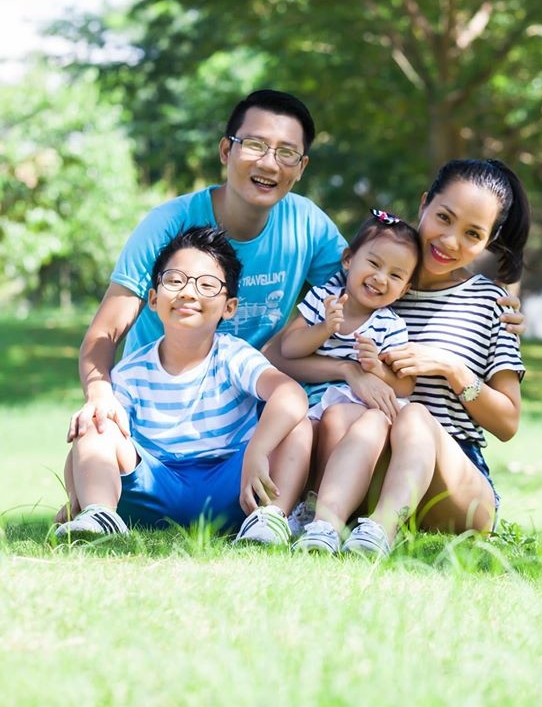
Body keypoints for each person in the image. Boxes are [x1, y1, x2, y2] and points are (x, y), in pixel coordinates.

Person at [279, 159, 529, 557]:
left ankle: (381, 531)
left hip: (453, 482)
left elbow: (508, 422)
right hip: (367, 459)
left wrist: (452, 368)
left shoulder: (491, 304)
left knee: (413, 416)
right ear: (424, 203)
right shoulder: (374, 276)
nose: (450, 241)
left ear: (489, 240)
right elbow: (279, 356)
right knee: (344, 416)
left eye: (472, 234)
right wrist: (349, 371)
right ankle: (326, 523)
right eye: (444, 217)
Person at [70, 89, 347, 444]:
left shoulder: (307, 224)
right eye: (255, 145)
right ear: (226, 150)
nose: (269, 163)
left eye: (286, 152)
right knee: (92, 445)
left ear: (301, 167)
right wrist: (99, 394)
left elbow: (362, 297)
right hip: (158, 410)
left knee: (335, 422)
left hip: (249, 410)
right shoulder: (168, 222)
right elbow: (104, 332)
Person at [54, 226, 310, 545]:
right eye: (175, 281)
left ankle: (270, 519)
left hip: (234, 487)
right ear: (153, 298)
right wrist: (76, 493)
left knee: (297, 425)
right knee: (96, 420)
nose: (188, 293)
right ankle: (99, 515)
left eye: (207, 285)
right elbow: (91, 444)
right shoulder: (131, 372)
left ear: (229, 307)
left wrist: (257, 450)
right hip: (154, 491)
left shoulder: (234, 356)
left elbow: (291, 394)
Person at [279, 209, 420, 538]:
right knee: (296, 431)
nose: (381, 278)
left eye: (395, 275)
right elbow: (289, 348)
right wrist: (324, 329)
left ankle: (320, 507)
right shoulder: (322, 300)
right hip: (310, 399)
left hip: (353, 408)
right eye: (374, 264)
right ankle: (281, 509)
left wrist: (377, 368)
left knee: (338, 422)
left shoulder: (390, 326)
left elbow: (405, 385)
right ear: (348, 260)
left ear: (404, 289)